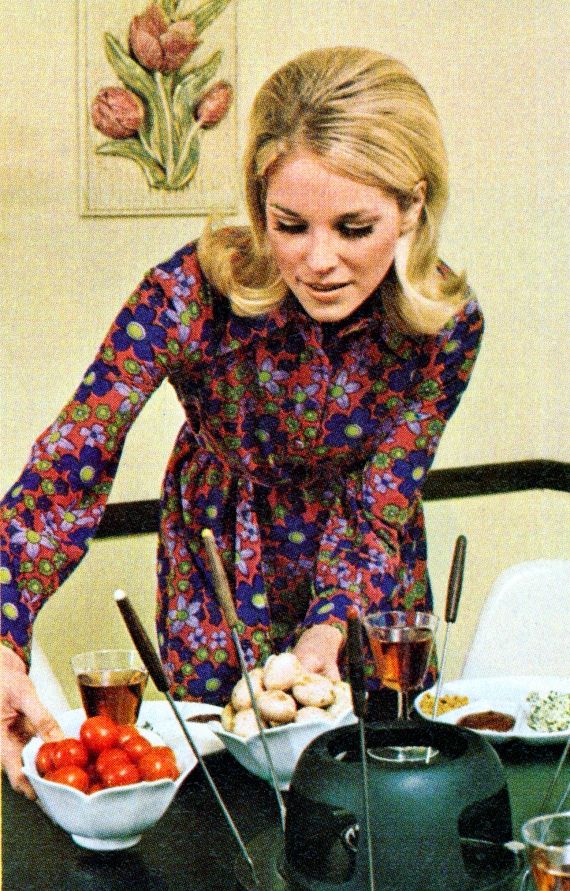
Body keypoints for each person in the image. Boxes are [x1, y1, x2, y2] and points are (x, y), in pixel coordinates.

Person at [1, 46, 483, 796]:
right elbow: (73, 460)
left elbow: (380, 501)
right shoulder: (188, 291)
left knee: (374, 794)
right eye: (289, 224)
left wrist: (331, 628)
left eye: (354, 227)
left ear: (413, 206)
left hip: (368, 573)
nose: (318, 260)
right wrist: (2, 629)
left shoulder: (446, 326)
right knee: (224, 801)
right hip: (222, 564)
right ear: (260, 204)